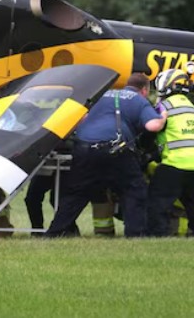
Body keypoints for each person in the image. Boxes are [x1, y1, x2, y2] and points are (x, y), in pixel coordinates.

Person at [44, 72, 167, 238]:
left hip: (85, 148)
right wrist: (162, 115)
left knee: (76, 193)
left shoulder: (99, 95)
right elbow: (153, 126)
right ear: (144, 90)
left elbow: (79, 119)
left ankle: (55, 232)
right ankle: (135, 234)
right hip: (116, 150)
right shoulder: (138, 100)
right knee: (133, 190)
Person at [146, 69, 194, 237]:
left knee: (158, 198)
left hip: (176, 160)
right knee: (193, 201)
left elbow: (151, 131)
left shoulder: (164, 106)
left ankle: (158, 233)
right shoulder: (192, 108)